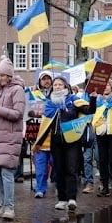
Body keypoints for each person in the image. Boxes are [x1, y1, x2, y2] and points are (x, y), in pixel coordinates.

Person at [39, 75, 96, 208]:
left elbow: (89, 111)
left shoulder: (73, 100)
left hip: (72, 140)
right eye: (55, 85)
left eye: (60, 84)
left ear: (65, 86)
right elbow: (45, 121)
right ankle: (62, 199)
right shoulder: (50, 103)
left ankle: (72, 198)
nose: (57, 87)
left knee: (71, 169)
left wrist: (93, 98)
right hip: (56, 140)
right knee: (59, 169)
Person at [0, 57, 25, 219]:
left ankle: (9, 207)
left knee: (7, 173)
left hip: (9, 137)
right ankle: (2, 204)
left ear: (9, 76)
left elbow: (18, 114)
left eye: (2, 75)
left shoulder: (17, 90)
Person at [26, 70, 55, 195]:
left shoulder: (57, 94)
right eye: (44, 79)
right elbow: (27, 113)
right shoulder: (33, 94)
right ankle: (40, 189)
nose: (46, 81)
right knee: (41, 166)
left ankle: (60, 186)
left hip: (54, 136)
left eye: (48, 78)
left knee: (57, 164)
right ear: (39, 80)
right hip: (39, 136)